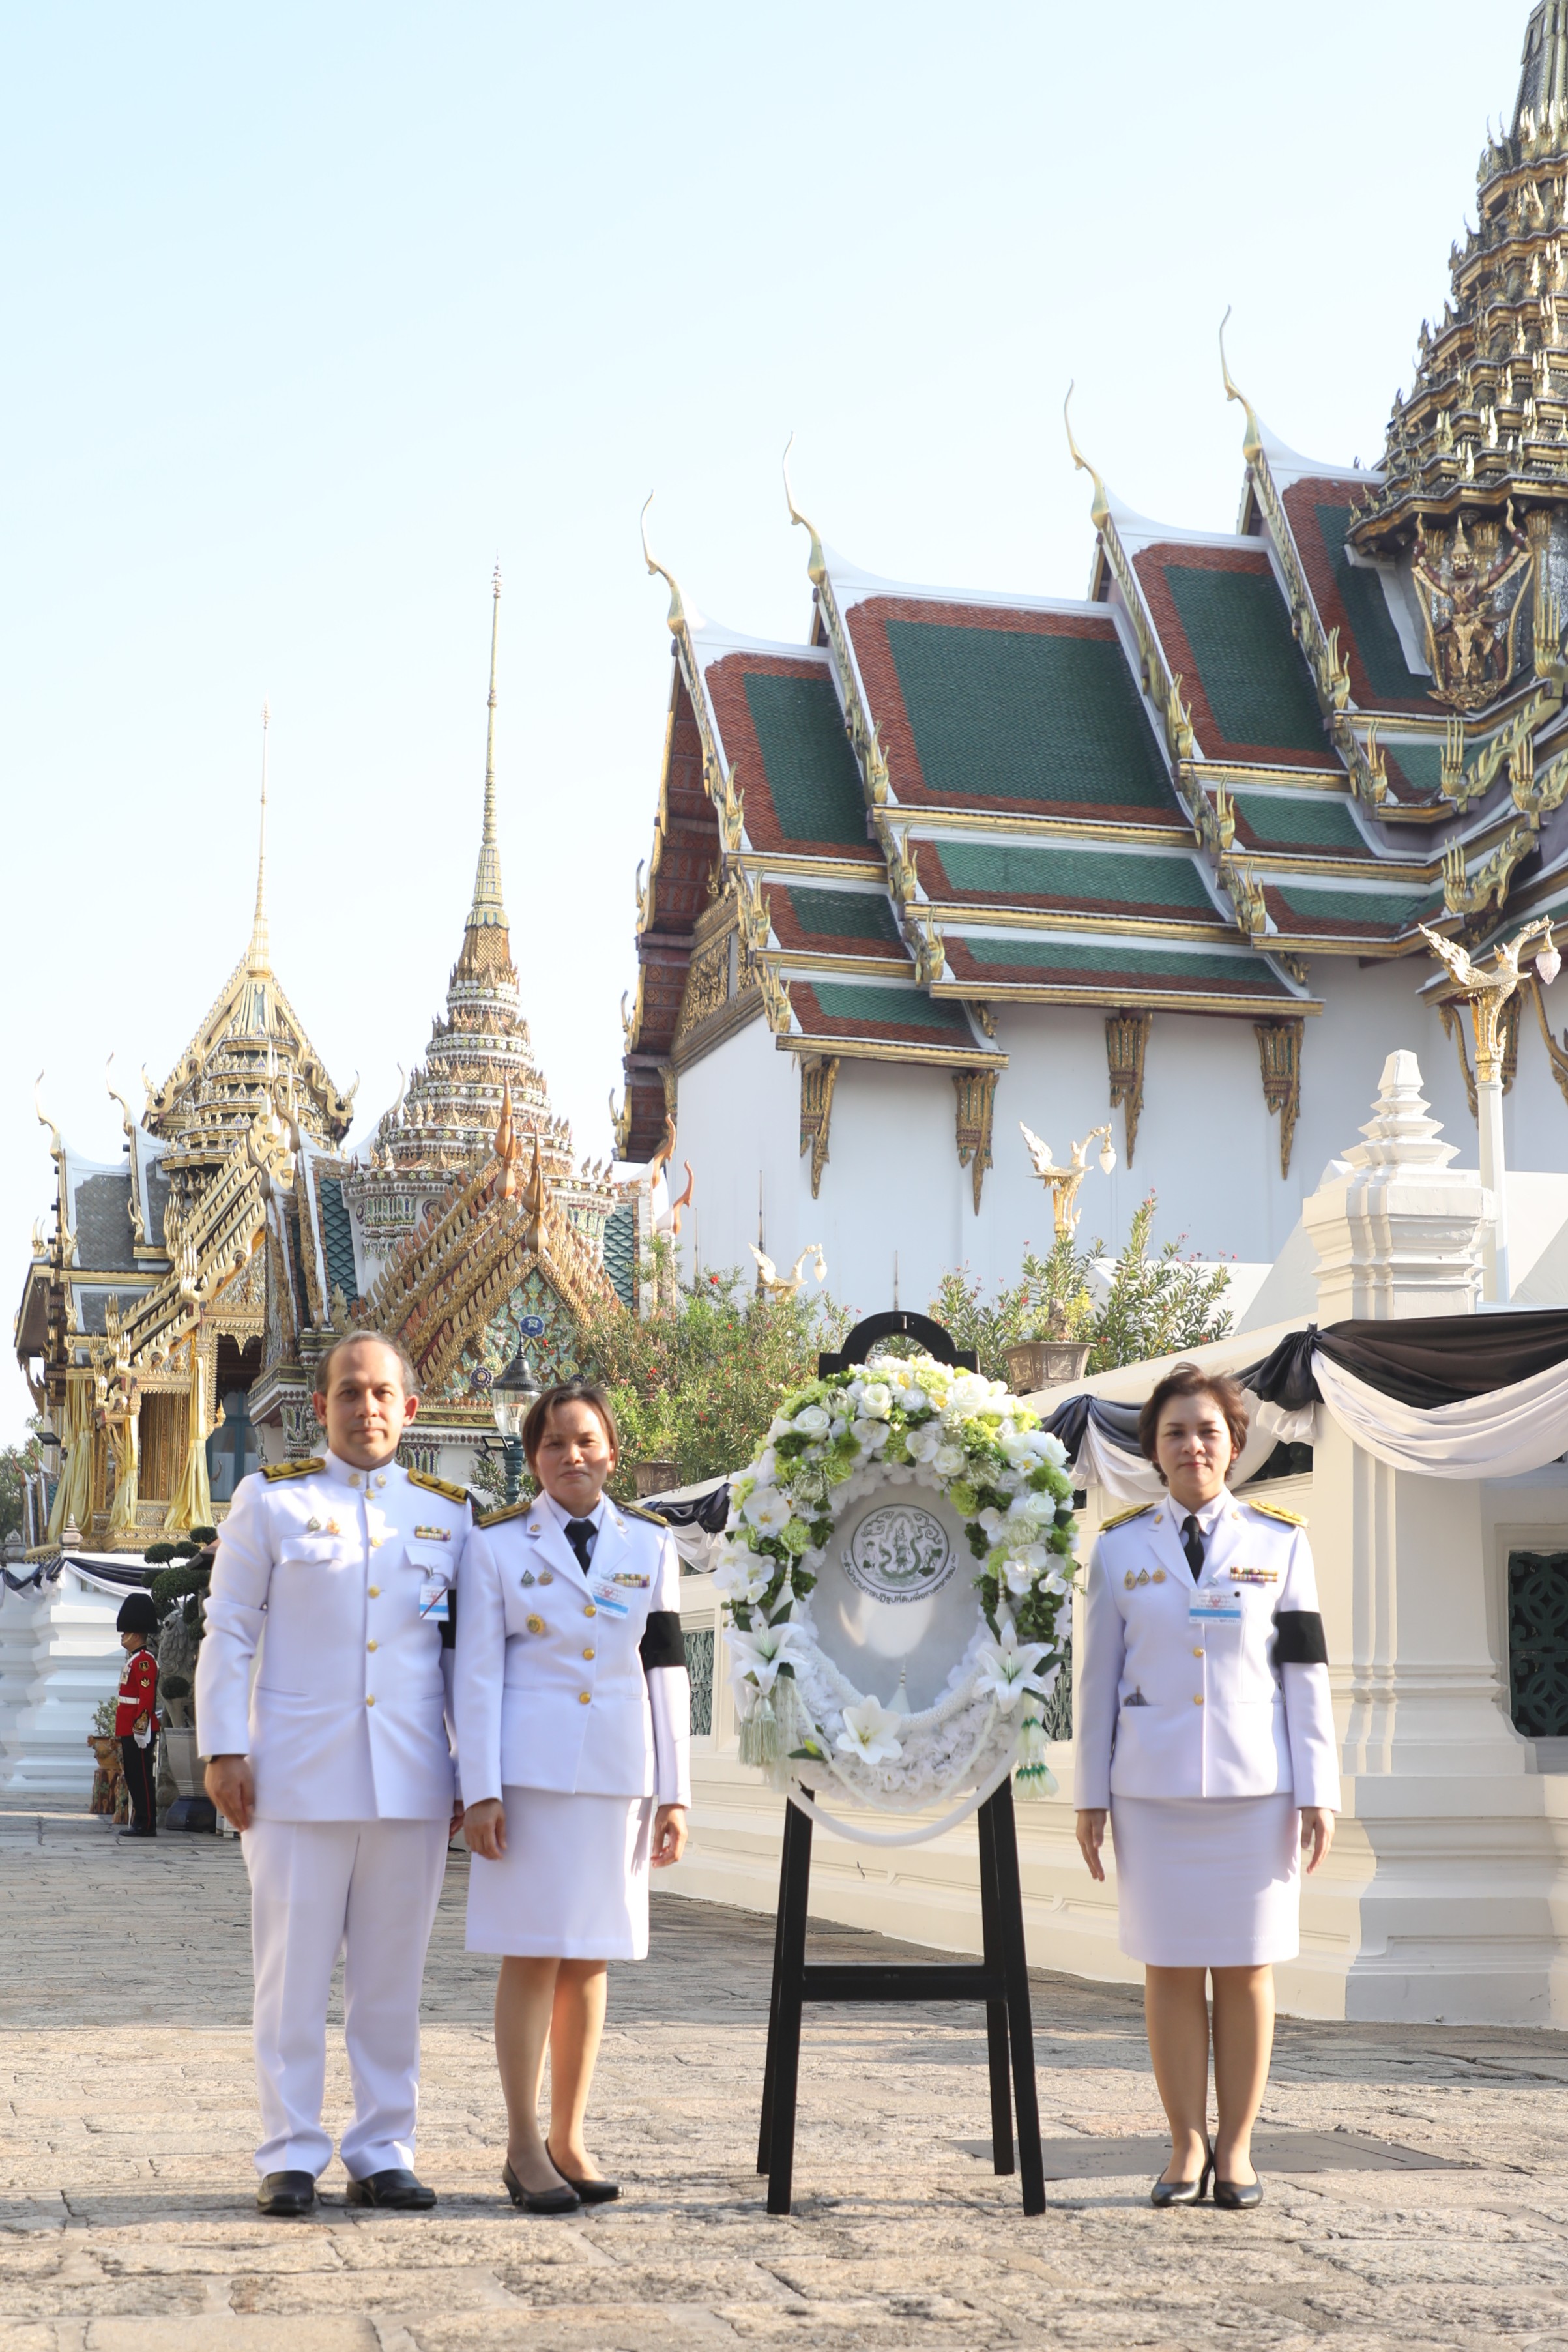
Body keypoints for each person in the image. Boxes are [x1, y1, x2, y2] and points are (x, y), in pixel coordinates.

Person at [194, 1331, 470, 2219]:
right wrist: (222, 1746)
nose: (367, 1407)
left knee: (392, 1977)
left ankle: (384, 2146)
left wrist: (477, 1766)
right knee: (292, 1973)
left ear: (410, 1409)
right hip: (296, 1779)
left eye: (383, 1392)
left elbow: (466, 1657)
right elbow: (230, 1630)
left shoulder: (447, 1517)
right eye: (349, 1392)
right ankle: (289, 2151)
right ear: (319, 1409)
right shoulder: (270, 1503)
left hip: (412, 1778)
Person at [1073, 1363, 1338, 2212]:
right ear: (1153, 1449)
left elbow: (1304, 1673)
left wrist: (1316, 1788)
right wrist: (1089, 1795)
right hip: (1150, 1795)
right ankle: (1184, 2144)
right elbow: (1096, 1679)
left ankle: (1237, 2148)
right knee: (1170, 1971)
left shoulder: (1279, 1541)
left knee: (1248, 1970)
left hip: (1256, 1789)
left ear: (1234, 1444)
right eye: (1175, 1433)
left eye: (1207, 1431)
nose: (1192, 1445)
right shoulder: (1119, 1547)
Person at [457, 1382, 690, 2214]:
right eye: (553, 1444)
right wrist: (478, 1790)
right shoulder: (495, 1548)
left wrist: (675, 1791)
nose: (572, 1456)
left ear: (612, 1452)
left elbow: (664, 1668)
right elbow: (476, 1675)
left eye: (586, 1440)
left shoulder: (650, 1545)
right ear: (533, 1459)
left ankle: (569, 2135)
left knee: (591, 1955)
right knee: (533, 1953)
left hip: (616, 1779)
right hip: (529, 1781)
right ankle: (522, 2143)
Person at [115, 1592, 162, 1838]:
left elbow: (146, 1698)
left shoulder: (144, 1661)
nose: (122, 1636)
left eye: (125, 1632)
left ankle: (146, 1824)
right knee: (134, 1776)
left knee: (142, 1777)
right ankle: (141, 1821)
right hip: (129, 1726)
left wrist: (141, 1727)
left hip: (138, 1728)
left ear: (135, 1634)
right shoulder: (136, 1660)